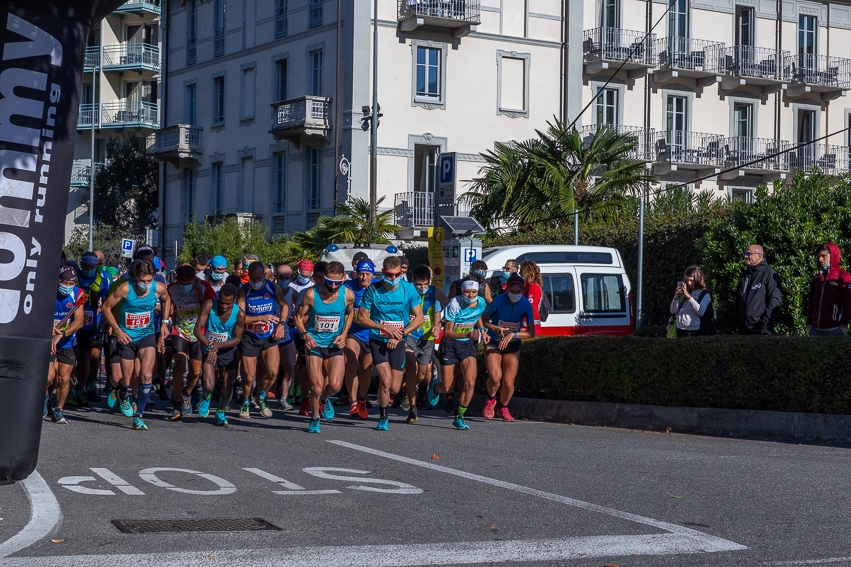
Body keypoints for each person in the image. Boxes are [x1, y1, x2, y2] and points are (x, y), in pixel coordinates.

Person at [101, 260, 172, 430]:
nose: (146, 284)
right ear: (135, 277)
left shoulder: (158, 287)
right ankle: (121, 392)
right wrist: (118, 330)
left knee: (146, 375)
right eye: (142, 280)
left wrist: (164, 323)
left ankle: (139, 415)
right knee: (128, 379)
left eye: (149, 280)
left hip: (146, 335)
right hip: (127, 338)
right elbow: (106, 308)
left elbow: (167, 300)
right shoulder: (125, 288)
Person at [357, 256, 424, 430]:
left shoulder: (408, 289)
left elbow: (419, 318)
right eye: (389, 274)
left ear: (401, 273)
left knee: (394, 388)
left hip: (399, 340)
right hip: (378, 340)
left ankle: (393, 398)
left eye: (397, 274)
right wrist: (384, 327)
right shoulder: (373, 289)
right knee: (385, 382)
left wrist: (401, 334)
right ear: (383, 272)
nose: (393, 278)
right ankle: (383, 416)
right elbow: (361, 318)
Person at [293, 261, 355, 433]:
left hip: (334, 344)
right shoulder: (311, 295)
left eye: (337, 282)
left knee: (335, 385)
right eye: (329, 281)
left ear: (343, 279)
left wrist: (344, 334)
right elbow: (297, 318)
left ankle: (325, 399)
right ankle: (315, 418)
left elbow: (350, 314)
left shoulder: (348, 295)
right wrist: (305, 335)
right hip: (315, 343)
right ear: (324, 278)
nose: (333, 286)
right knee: (317, 387)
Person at [428, 278, 489, 430]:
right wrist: (468, 334)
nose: (470, 295)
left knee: (470, 383)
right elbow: (448, 333)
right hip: (450, 345)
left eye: (473, 292)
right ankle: (436, 387)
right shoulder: (454, 304)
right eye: (467, 292)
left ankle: (459, 416)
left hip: (467, 346)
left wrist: (482, 330)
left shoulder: (481, 302)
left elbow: (478, 314)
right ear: (462, 292)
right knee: (447, 387)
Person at [237, 261, 288, 419]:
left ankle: (262, 396)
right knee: (249, 376)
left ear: (264, 275)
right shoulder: (243, 291)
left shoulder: (273, 287)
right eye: (252, 278)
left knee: (273, 372)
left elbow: (285, 306)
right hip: (249, 337)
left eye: (258, 278)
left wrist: (282, 325)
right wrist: (260, 318)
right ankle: (246, 401)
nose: (255, 281)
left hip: (268, 336)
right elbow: (240, 318)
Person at [481, 274, 534, 422]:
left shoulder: (526, 305)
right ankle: (491, 399)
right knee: (495, 377)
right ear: (507, 289)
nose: (515, 294)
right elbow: (483, 320)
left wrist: (514, 334)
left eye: (518, 292)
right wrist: (495, 328)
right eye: (512, 291)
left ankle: (503, 407)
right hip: (494, 341)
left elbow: (531, 332)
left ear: (522, 291)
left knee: (509, 382)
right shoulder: (498, 301)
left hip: (513, 344)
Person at [167, 265, 216, 421]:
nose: (185, 286)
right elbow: (168, 309)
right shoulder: (171, 288)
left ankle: (187, 393)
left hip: (199, 333)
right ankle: (176, 405)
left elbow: (211, 308)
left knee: (195, 371)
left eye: (188, 283)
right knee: (180, 365)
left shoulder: (204, 286)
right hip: (180, 330)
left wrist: (199, 295)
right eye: (182, 283)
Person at [194, 283, 245, 425]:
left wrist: (218, 346)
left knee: (228, 386)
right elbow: (197, 329)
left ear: (234, 300)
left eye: (228, 304)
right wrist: (211, 346)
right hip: (208, 345)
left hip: (228, 349)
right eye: (222, 302)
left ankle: (221, 411)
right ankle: (206, 397)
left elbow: (237, 339)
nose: (224, 306)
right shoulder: (209, 305)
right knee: (209, 384)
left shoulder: (240, 314)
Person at [402, 265, 445, 424]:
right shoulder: (407, 291)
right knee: (411, 368)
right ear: (413, 281)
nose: (422, 288)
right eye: (419, 284)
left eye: (425, 284)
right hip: (410, 336)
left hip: (427, 338)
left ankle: (408, 388)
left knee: (422, 374)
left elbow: (440, 311)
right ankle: (413, 409)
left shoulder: (434, 292)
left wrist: (438, 325)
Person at [46, 266, 86, 424]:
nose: (68, 287)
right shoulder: (48, 290)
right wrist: (48, 329)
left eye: (71, 284)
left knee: (64, 378)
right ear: (58, 281)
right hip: (48, 339)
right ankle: (44, 400)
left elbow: (79, 321)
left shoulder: (78, 293)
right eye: (65, 283)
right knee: (49, 377)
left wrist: (62, 334)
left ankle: (59, 410)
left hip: (67, 340)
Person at [73, 251, 112, 407]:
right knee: (75, 357)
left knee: (92, 356)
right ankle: (73, 389)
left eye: (92, 267)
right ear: (81, 265)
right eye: (86, 266)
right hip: (74, 323)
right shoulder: (74, 278)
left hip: (93, 324)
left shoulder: (102, 280)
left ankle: (87, 387)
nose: (89, 269)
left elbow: (107, 306)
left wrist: (101, 328)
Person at [343, 259, 376, 419]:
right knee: (352, 364)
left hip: (371, 333)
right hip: (353, 332)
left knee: (366, 369)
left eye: (368, 274)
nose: (364, 278)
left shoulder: (378, 286)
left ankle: (362, 398)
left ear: (372, 275)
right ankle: (353, 402)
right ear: (356, 273)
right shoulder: (348, 286)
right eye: (361, 274)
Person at [736, 244, 782, 335]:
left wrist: (765, 324)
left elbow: (775, 300)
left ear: (759, 256)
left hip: (760, 329)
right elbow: (738, 300)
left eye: (748, 254)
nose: (745, 257)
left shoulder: (769, 274)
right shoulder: (744, 276)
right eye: (745, 254)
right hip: (743, 329)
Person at [806, 242, 851, 336]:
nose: (820, 259)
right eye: (819, 256)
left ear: (833, 256)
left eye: (824, 256)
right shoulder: (817, 278)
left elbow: (848, 302)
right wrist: (809, 324)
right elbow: (811, 302)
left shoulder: (843, 277)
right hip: (816, 330)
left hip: (835, 329)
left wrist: (843, 324)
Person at [273, 264, 296, 409]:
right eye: (281, 277)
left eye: (286, 277)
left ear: (291, 278)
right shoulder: (270, 290)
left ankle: (284, 398)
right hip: (269, 335)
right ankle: (260, 395)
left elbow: (301, 312)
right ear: (276, 277)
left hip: (287, 334)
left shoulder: (294, 293)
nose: (283, 280)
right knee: (271, 369)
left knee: (289, 366)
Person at [670, 266, 712, 338]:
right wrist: (676, 297)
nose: (689, 283)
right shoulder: (687, 291)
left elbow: (701, 311)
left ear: (697, 279)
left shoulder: (704, 293)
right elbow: (673, 311)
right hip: (679, 328)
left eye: (691, 280)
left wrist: (689, 297)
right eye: (687, 280)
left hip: (693, 329)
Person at [519, 260, 544, 333]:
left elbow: (531, 308)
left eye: (521, 271)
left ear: (527, 272)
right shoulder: (527, 286)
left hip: (530, 326)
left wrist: (525, 327)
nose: (519, 273)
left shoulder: (533, 287)